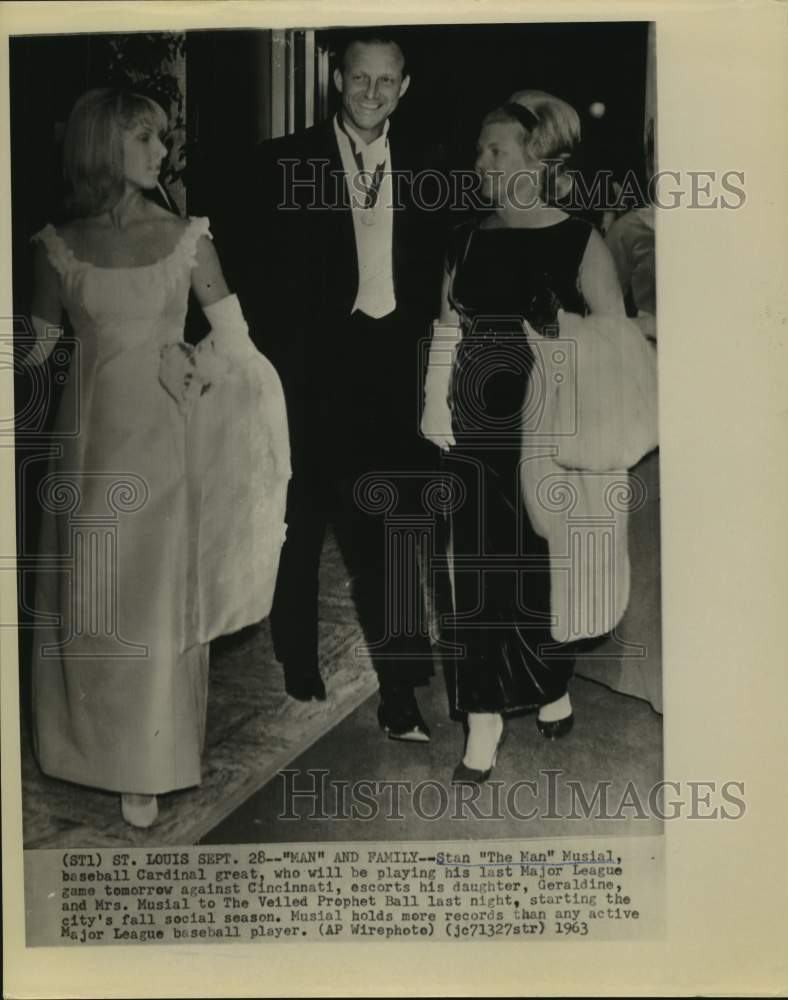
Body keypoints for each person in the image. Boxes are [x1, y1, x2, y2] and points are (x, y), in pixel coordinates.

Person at [27, 88, 289, 828]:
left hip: (169, 449)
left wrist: (197, 366)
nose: (161, 152)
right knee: (92, 599)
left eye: (164, 139)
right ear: (99, 145)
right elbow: (35, 355)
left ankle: (149, 764)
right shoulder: (56, 244)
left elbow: (235, 344)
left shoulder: (188, 238)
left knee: (155, 604)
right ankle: (83, 750)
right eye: (143, 138)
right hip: (85, 452)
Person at [421, 91, 656, 782]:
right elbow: (445, 327)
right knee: (474, 569)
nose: (479, 162)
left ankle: (548, 684)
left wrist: (561, 335)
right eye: (478, 150)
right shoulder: (465, 235)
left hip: (549, 426)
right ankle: (483, 718)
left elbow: (620, 342)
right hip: (472, 421)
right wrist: (433, 402)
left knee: (541, 566)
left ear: (535, 157)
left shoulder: (578, 239)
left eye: (494, 149)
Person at [240, 32, 446, 740]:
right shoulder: (282, 161)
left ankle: (399, 692)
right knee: (301, 524)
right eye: (359, 79)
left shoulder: (427, 164)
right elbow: (253, 277)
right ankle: (297, 656)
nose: (370, 93)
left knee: (390, 534)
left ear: (405, 86)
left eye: (385, 82)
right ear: (336, 78)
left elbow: (440, 269)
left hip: (394, 369)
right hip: (311, 373)